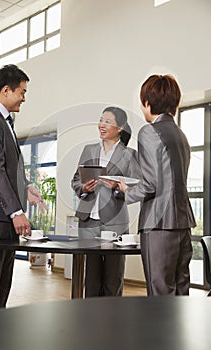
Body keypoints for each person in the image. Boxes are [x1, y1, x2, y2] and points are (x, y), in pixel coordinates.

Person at [118, 74, 196, 296]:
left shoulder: (149, 131)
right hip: (183, 222)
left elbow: (150, 185)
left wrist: (126, 191)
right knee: (181, 291)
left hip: (160, 224)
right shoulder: (181, 135)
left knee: (160, 293)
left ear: (147, 102)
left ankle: (162, 333)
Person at [0, 64, 47, 312]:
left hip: (3, 216)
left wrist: (26, 187)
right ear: (6, 90)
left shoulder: (6, 121)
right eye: (22, 92)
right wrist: (16, 212)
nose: (24, 98)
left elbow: (9, 167)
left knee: (3, 282)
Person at [71, 106, 141, 297]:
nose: (101, 124)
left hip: (115, 221)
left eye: (107, 121)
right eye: (101, 120)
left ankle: (112, 320)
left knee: (113, 277)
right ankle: (91, 319)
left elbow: (136, 188)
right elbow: (75, 180)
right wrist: (83, 188)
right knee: (91, 278)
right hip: (88, 221)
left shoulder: (130, 155)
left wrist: (117, 187)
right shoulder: (89, 150)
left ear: (120, 127)